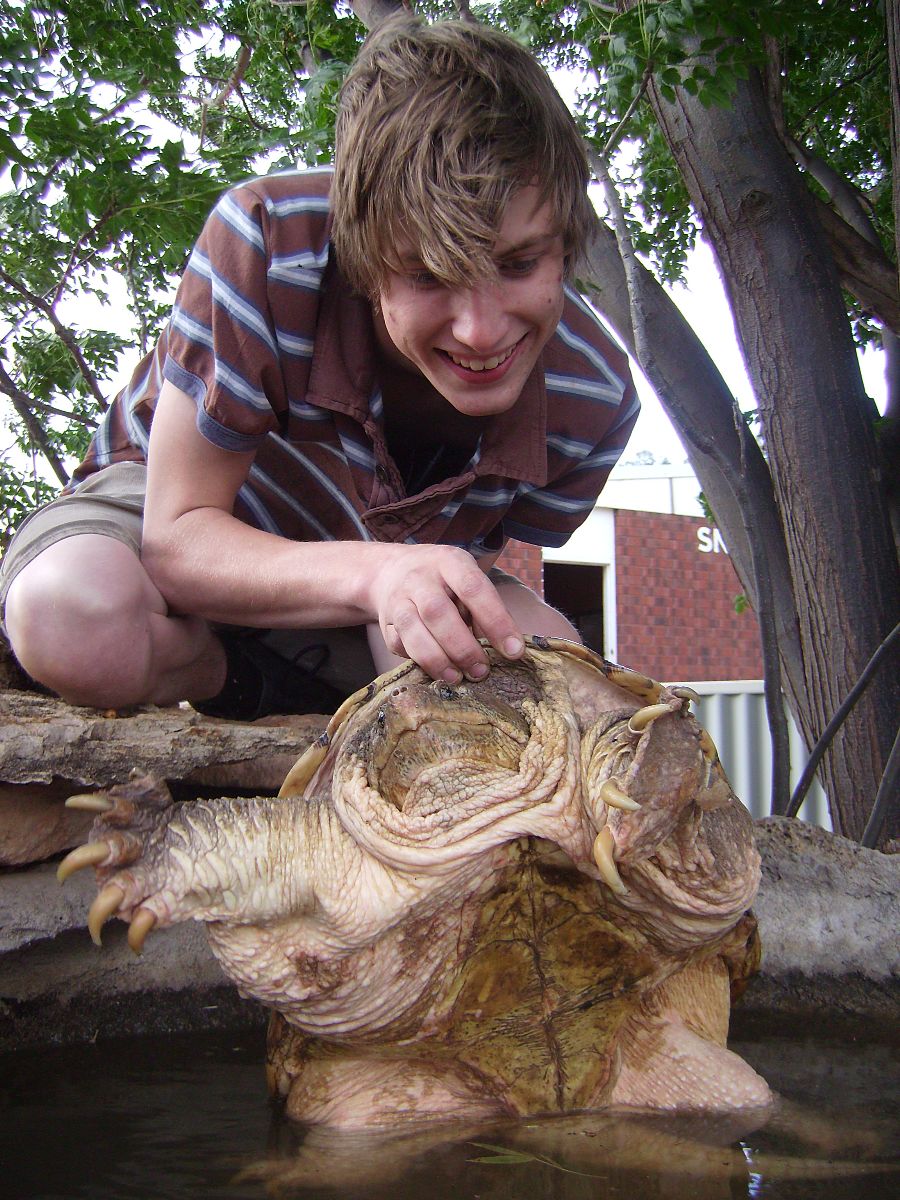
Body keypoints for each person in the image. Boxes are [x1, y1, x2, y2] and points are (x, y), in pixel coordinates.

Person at [0, 15, 638, 720]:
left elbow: (464, 582)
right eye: (428, 277)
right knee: (71, 614)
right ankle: (230, 679)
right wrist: (378, 575)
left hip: (362, 599)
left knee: (569, 684)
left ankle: (328, 692)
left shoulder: (594, 400)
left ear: (566, 242)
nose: (481, 331)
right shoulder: (267, 243)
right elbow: (177, 538)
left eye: (519, 264)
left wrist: (398, 594)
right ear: (363, 256)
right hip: (171, 530)